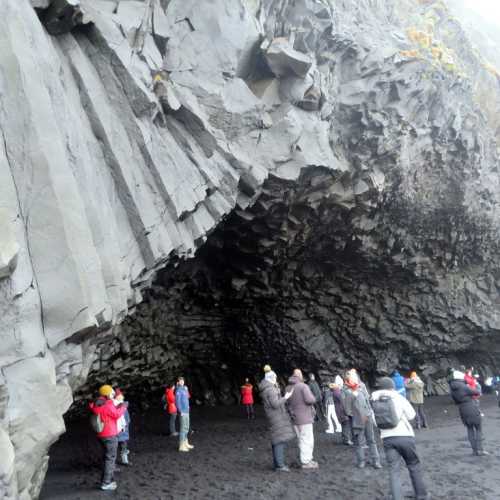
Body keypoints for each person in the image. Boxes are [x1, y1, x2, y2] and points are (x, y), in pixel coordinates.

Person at [372, 377, 430, 500]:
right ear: (391, 387)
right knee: (413, 465)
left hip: (387, 438)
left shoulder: (374, 401)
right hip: (405, 436)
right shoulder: (398, 397)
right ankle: (421, 495)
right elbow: (412, 415)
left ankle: (397, 497)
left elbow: (374, 422)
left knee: (394, 470)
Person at [89, 385, 128, 491]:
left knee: (107, 457)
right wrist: (124, 407)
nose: (113, 394)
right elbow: (116, 414)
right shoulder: (107, 405)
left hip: (101, 435)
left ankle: (108, 478)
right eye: (111, 393)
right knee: (110, 458)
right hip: (110, 434)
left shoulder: (97, 404)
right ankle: (106, 483)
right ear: (106, 394)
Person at [343, 369, 381, 469]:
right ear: (348, 380)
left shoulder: (361, 387)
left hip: (367, 417)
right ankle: (361, 461)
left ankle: (376, 461)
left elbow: (368, 401)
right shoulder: (346, 391)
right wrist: (356, 415)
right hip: (356, 420)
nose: (355, 379)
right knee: (359, 442)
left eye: (355, 377)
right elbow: (347, 410)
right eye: (352, 378)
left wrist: (369, 412)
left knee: (371, 440)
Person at [259, 369, 295, 472]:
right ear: (271, 378)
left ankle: (277, 464)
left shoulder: (267, 388)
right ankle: (280, 465)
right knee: (279, 440)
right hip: (276, 416)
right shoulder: (270, 389)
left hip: (273, 416)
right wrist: (285, 397)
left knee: (276, 440)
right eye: (274, 377)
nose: (276, 379)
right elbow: (275, 404)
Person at [449, 370, 488, 456]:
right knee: (478, 429)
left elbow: (455, 401)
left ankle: (474, 451)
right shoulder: (463, 386)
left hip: (462, 410)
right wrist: (476, 384)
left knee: (469, 429)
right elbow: (477, 392)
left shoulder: (452, 388)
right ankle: (480, 450)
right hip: (471, 408)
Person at [286, 369, 319, 469]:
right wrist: (315, 397)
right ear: (300, 376)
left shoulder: (287, 388)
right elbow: (310, 400)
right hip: (305, 418)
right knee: (307, 439)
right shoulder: (303, 386)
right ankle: (306, 461)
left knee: (301, 439)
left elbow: (287, 402)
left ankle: (305, 458)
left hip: (294, 419)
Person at [175, 377, 194, 452]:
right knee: (183, 428)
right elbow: (177, 402)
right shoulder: (178, 391)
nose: (182, 382)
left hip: (187, 411)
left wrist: (187, 389)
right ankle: (181, 446)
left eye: (183, 380)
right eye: (180, 381)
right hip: (183, 412)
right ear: (178, 382)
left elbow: (188, 397)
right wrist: (180, 411)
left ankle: (186, 443)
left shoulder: (184, 389)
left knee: (186, 427)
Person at [332, 375, 352, 445]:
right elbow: (342, 401)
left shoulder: (335, 390)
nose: (342, 386)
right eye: (341, 384)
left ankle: (345, 439)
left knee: (344, 425)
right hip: (341, 411)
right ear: (339, 384)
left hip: (339, 411)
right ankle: (347, 440)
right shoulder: (337, 391)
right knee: (346, 424)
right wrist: (347, 411)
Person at [114, 389, 131, 466]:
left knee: (119, 446)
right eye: (120, 396)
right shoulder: (122, 407)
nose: (122, 397)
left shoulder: (118, 406)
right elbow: (127, 418)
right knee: (121, 446)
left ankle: (123, 460)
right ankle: (124, 460)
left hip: (119, 430)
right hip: (119, 430)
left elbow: (127, 418)